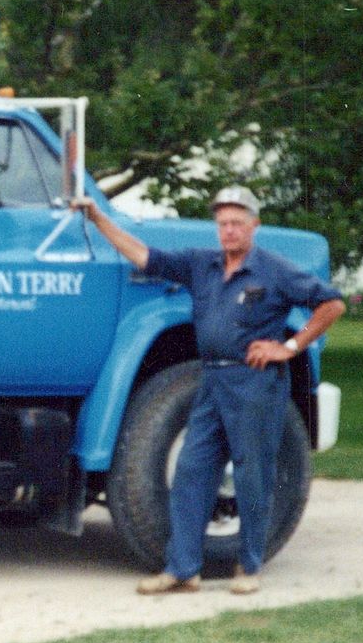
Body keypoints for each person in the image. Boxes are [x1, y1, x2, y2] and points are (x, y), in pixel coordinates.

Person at [71, 185, 345, 595]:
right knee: (190, 472)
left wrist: (288, 347)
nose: (229, 231)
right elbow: (143, 255)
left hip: (254, 386)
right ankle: (183, 570)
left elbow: (331, 304)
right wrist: (98, 220)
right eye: (222, 223)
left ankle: (249, 567)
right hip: (210, 380)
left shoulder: (274, 269)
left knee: (252, 475)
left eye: (237, 223)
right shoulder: (203, 265)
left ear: (254, 226)